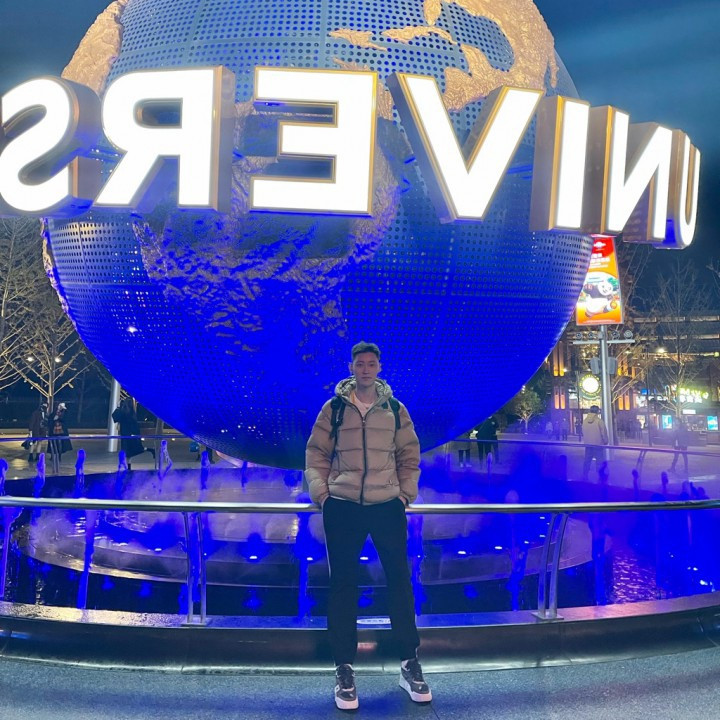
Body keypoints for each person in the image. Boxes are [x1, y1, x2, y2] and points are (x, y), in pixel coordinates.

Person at [305, 341, 430, 710]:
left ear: (379, 368)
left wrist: (405, 494)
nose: (365, 369)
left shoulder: (395, 409)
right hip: (342, 506)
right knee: (343, 585)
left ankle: (409, 662)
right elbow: (316, 453)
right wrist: (322, 493)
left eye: (371, 364)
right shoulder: (333, 409)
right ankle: (344, 668)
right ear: (352, 368)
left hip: (386, 505)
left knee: (399, 582)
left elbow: (409, 454)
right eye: (359, 364)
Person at [112, 397, 155, 471]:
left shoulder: (124, 412)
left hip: (126, 435)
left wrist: (118, 407)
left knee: (129, 452)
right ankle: (128, 467)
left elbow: (115, 417)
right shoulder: (131, 413)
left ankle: (127, 467)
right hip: (130, 435)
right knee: (131, 451)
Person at [582, 406, 608, 482]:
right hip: (598, 444)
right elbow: (603, 433)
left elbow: (583, 432)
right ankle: (600, 476)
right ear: (597, 411)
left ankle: (585, 475)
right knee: (599, 461)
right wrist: (605, 441)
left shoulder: (585, 421)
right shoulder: (599, 421)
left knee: (587, 461)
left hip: (588, 445)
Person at [48, 402, 72, 475]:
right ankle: (53, 455)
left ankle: (59, 456)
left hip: (61, 431)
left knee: (60, 444)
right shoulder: (53, 413)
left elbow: (66, 419)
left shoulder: (64, 413)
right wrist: (54, 419)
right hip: (54, 431)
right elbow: (50, 420)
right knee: (53, 444)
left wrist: (61, 415)